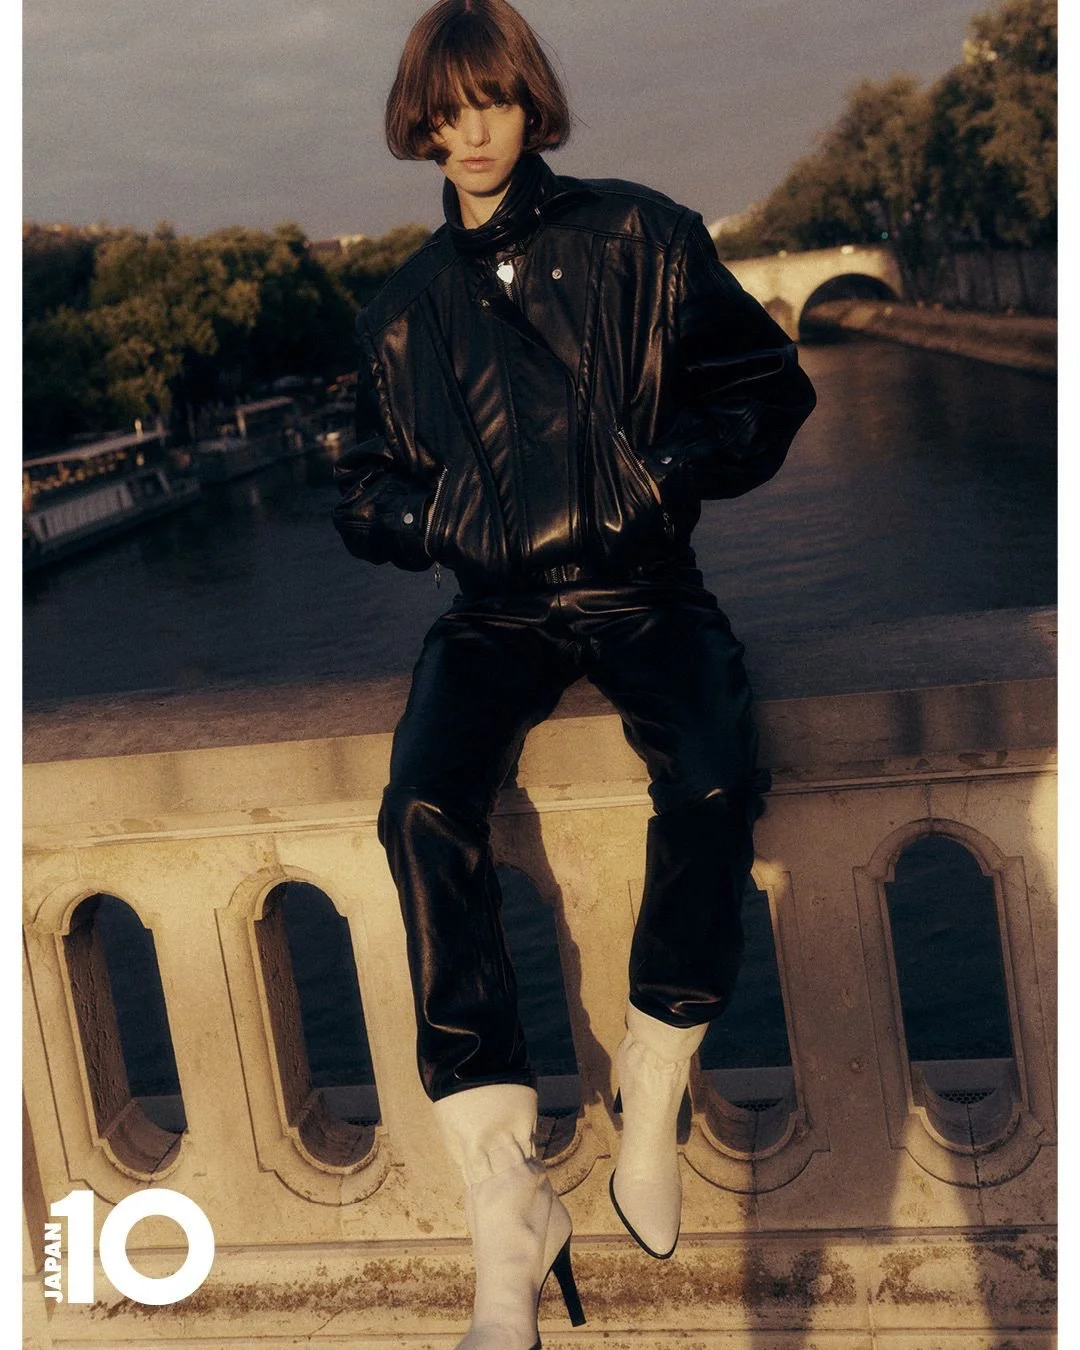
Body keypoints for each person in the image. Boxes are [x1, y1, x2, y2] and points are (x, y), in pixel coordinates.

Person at [332, 2, 816, 1344]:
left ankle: (654, 1072)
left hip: (643, 580)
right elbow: (356, 490)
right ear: (420, 125)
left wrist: (656, 477)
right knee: (421, 808)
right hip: (493, 610)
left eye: (491, 102)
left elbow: (768, 389)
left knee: (712, 773)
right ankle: (505, 1193)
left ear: (526, 101)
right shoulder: (401, 312)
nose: (471, 133)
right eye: (445, 113)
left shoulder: (639, 236)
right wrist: (438, 519)